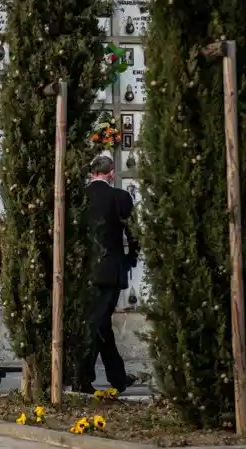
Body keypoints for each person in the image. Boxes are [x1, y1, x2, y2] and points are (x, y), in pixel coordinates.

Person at [78, 155, 139, 394]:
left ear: (92, 173)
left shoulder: (80, 196)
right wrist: (129, 260)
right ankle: (84, 378)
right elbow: (134, 233)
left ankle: (117, 378)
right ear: (111, 173)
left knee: (99, 323)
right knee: (97, 323)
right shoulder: (120, 197)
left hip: (84, 270)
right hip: (110, 269)